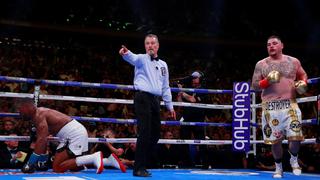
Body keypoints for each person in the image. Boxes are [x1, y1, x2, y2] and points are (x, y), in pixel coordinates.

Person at [119, 34, 176, 177]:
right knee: (144, 131)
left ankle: (141, 163)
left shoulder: (163, 65)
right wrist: (125, 54)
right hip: (142, 98)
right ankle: (138, 168)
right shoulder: (141, 59)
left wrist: (170, 106)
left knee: (156, 133)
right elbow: (132, 57)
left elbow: (166, 87)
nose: (150, 45)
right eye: (147, 43)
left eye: (152, 43)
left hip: (156, 101)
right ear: (145, 46)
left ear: (157, 46)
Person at [16, 98, 123, 174]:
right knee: (74, 168)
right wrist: (41, 161)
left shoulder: (39, 115)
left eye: (20, 110)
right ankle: (108, 161)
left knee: (57, 167)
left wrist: (30, 163)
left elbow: (42, 140)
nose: (19, 113)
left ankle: (94, 157)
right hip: (71, 135)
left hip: (74, 135)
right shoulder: (38, 115)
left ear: (27, 107)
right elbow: (43, 141)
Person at [251, 35, 308, 178]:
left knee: (295, 137)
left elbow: (303, 75)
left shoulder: (293, 61)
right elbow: (254, 86)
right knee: (275, 141)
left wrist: (303, 83)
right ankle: (278, 168)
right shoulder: (261, 64)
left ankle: (294, 159)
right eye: (268, 44)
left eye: (274, 43)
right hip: (270, 107)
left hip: (290, 104)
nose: (271, 46)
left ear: (282, 45)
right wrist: (267, 81)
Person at [176, 71, 209, 168]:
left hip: (198, 118)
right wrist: (180, 92)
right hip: (187, 117)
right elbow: (180, 102)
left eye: (195, 78)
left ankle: (205, 163)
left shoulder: (203, 89)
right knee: (184, 141)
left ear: (200, 79)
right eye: (192, 78)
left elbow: (192, 100)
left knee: (201, 142)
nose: (193, 79)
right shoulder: (188, 88)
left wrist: (183, 92)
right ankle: (186, 163)